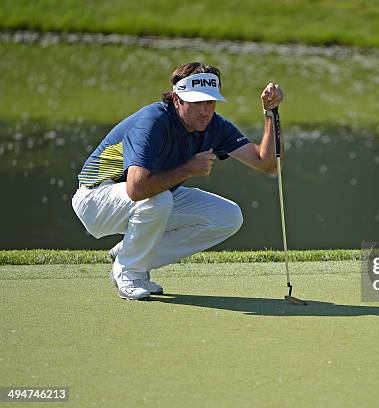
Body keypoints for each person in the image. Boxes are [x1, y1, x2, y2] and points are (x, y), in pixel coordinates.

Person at [72, 62, 284, 300]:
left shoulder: (214, 126)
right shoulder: (153, 121)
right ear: (176, 99)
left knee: (228, 216)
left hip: (148, 197)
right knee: (158, 199)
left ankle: (129, 255)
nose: (205, 111)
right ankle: (129, 272)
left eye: (210, 102)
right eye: (196, 102)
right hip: (95, 199)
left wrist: (270, 113)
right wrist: (188, 169)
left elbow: (266, 163)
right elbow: (137, 188)